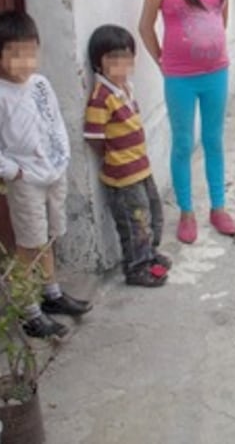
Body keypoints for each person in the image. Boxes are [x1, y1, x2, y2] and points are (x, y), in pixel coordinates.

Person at [0, 10, 92, 339]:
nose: (25, 61)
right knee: (30, 245)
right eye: (15, 54)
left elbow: (53, 120)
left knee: (49, 236)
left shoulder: (40, 84)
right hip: (26, 183)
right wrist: (16, 172)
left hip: (54, 172)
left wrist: (62, 155)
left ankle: (51, 294)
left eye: (30, 51)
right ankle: (28, 311)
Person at [138, 0, 235, 245]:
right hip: (180, 78)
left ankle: (218, 207)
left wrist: (210, 49)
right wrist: (162, 62)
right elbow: (145, 25)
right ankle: (186, 211)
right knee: (183, 143)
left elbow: (220, 22)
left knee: (214, 141)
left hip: (216, 73)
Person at [84, 25, 171, 287]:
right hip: (123, 176)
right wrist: (114, 159)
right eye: (112, 59)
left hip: (141, 168)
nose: (121, 64)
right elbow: (94, 137)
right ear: (98, 63)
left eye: (126, 57)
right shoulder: (101, 97)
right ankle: (136, 267)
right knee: (135, 222)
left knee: (153, 213)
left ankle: (149, 254)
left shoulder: (125, 90)